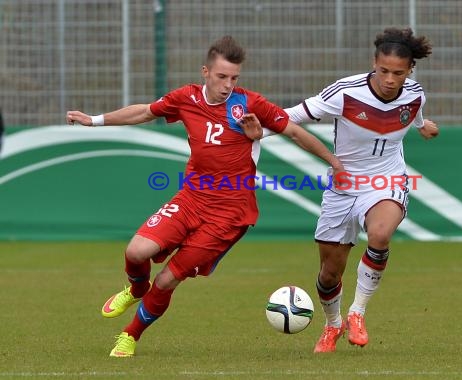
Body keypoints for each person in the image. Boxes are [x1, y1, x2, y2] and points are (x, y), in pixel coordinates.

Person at [66, 35, 343, 357]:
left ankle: (129, 335)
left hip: (230, 213)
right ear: (205, 72)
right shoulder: (185, 98)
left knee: (169, 279)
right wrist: (94, 120)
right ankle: (137, 288)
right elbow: (145, 112)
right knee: (137, 250)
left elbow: (294, 131)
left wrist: (334, 162)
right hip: (191, 199)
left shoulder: (250, 104)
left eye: (234, 78)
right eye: (222, 77)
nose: (228, 85)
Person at [275, 27, 439, 352]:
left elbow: (415, 113)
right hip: (343, 186)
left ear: (410, 71)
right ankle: (333, 324)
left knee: (379, 235)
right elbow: (291, 116)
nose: (390, 79)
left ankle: (357, 312)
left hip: (386, 180)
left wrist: (423, 126)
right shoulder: (345, 92)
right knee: (328, 274)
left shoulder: (415, 93)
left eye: (398, 73)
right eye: (383, 71)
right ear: (373, 63)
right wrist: (252, 129)